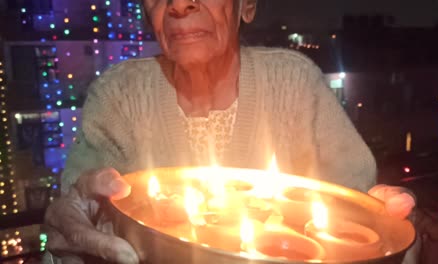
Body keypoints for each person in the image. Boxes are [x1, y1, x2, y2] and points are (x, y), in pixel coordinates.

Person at [43, 0, 417, 263]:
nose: (179, 4)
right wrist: (70, 244)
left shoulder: (294, 84)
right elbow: (78, 223)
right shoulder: (118, 96)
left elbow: (360, 219)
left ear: (247, 4)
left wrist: (394, 230)